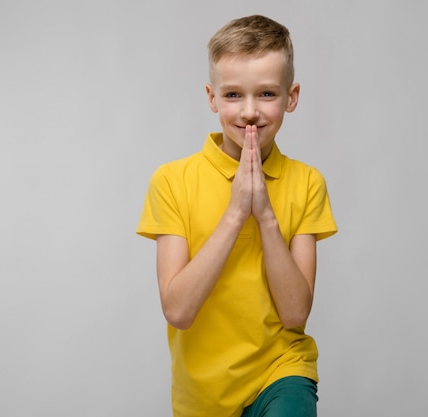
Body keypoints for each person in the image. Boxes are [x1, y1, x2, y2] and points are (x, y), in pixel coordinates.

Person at [136, 14, 337, 417]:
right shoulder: (172, 181)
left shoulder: (308, 182)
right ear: (211, 98)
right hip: (203, 397)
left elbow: (296, 313)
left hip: (282, 371)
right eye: (232, 96)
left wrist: (264, 216)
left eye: (266, 94)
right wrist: (234, 213)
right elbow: (178, 310)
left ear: (291, 97)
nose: (249, 112)